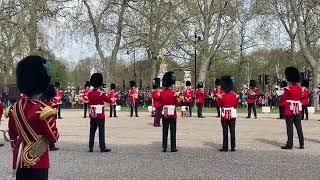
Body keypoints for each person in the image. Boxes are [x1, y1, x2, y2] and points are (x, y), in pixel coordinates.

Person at [8, 55, 59, 180]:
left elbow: (12, 136)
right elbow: (53, 137)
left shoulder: (14, 108)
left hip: (20, 159)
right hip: (38, 161)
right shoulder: (44, 110)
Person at [279, 67, 304, 150]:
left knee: (290, 128)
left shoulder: (288, 89)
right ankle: (301, 144)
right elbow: (301, 97)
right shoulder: (300, 88)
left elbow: (283, 98)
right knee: (299, 127)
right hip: (297, 110)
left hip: (289, 109)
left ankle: (290, 144)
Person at [88, 73, 112, 153]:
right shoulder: (101, 93)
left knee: (92, 131)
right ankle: (102, 147)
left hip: (92, 114)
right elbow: (110, 100)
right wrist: (105, 92)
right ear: (100, 83)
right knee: (101, 131)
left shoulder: (90, 93)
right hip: (100, 115)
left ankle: (90, 147)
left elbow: (88, 101)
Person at [160, 71, 180, 152]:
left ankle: (164, 147)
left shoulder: (162, 93)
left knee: (164, 130)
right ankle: (173, 147)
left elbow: (161, 102)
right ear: (172, 84)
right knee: (173, 131)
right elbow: (177, 103)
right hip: (172, 114)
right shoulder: (174, 93)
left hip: (165, 113)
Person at [219, 76, 238, 152]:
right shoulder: (235, 96)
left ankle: (225, 147)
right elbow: (236, 106)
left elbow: (219, 105)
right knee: (232, 131)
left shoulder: (222, 96)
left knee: (225, 131)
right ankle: (233, 147)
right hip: (232, 116)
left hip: (224, 116)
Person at [41, 84, 59, 151]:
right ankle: (51, 145)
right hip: (51, 120)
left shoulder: (43, 103)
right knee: (51, 130)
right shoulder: (52, 104)